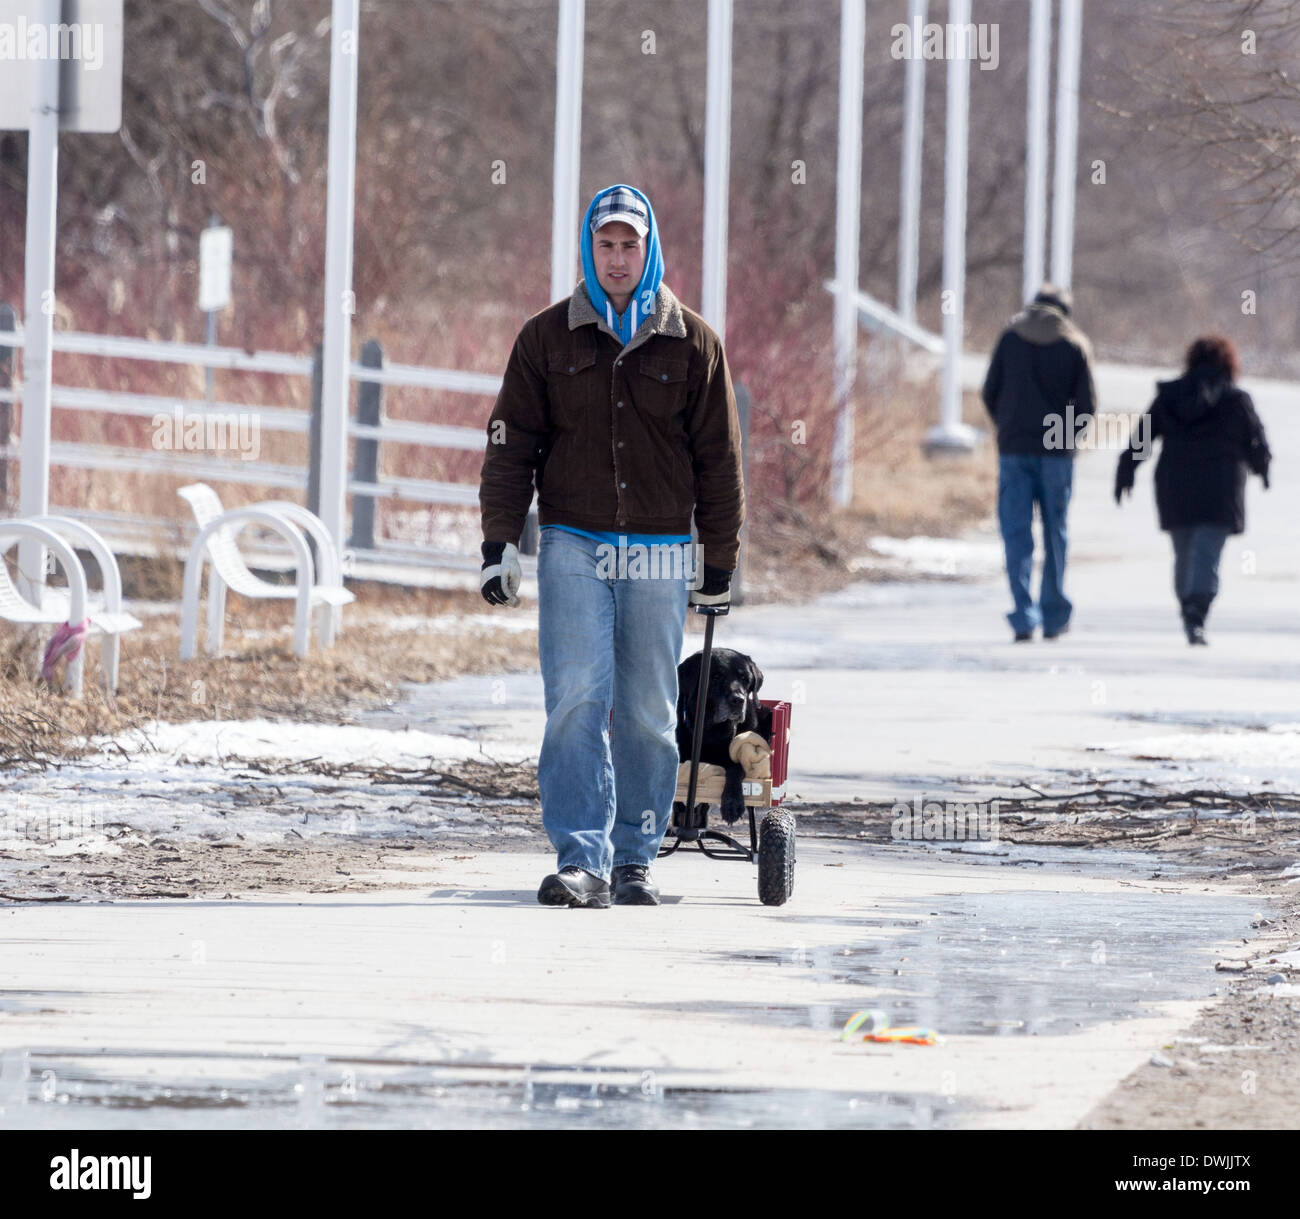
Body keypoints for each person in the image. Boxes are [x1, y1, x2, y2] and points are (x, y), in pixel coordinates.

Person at [477, 183, 745, 908]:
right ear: (589, 250)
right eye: (606, 245)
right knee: (574, 699)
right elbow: (510, 448)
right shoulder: (544, 338)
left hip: (659, 551)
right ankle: (581, 858)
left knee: (649, 710)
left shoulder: (694, 344)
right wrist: (499, 542)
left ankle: (635, 858)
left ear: (649, 247)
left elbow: (719, 458)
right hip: (574, 542)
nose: (618, 258)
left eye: (630, 244)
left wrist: (717, 557)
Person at [1114, 334, 1271, 645]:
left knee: (1184, 553)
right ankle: (1196, 613)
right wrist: (1261, 467)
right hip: (1220, 488)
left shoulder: (1170, 397)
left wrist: (1126, 471)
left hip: (1176, 486)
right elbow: (1255, 439)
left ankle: (1189, 608)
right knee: (1206, 554)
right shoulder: (1236, 400)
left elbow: (1142, 438)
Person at [981, 284, 1097, 642]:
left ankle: (1022, 616)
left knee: (1016, 534)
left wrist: (1009, 427)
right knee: (1055, 533)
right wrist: (1067, 438)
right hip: (1057, 454)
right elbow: (1086, 406)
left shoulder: (1010, 339)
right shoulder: (1074, 343)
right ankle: (1054, 615)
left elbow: (989, 391)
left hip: (1015, 450)